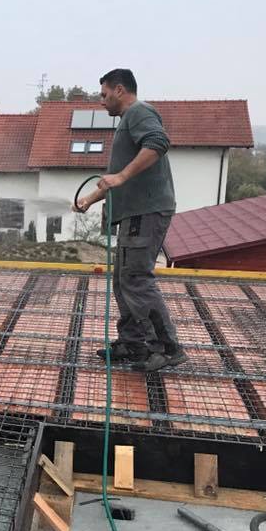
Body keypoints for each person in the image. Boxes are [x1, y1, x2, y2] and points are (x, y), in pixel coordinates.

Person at [73, 68, 187, 372]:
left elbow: (158, 142)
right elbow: (115, 179)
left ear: (120, 90)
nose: (101, 101)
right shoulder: (127, 121)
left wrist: (122, 175)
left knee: (136, 278)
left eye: (104, 94)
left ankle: (167, 348)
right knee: (124, 279)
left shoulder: (139, 112)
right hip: (135, 213)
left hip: (146, 211)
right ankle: (134, 343)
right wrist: (90, 199)